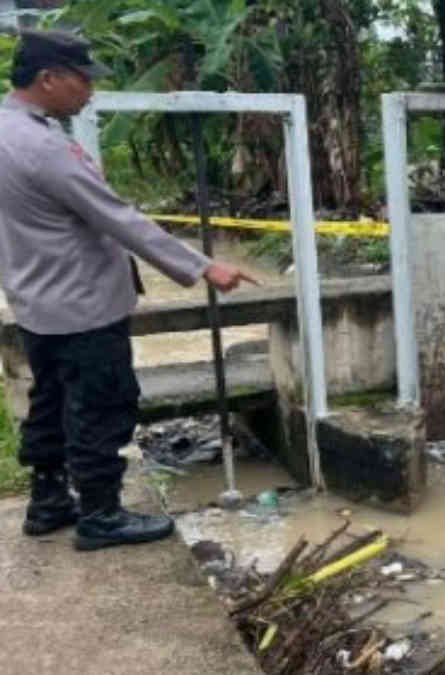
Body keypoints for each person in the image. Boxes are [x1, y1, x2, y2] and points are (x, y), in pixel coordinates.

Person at [0, 30, 258, 550]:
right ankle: (101, 515)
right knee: (102, 404)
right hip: (83, 305)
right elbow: (117, 217)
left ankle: (49, 501)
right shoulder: (45, 147)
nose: (89, 92)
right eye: (82, 80)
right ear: (48, 78)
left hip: (35, 300)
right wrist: (204, 266)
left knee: (50, 400)